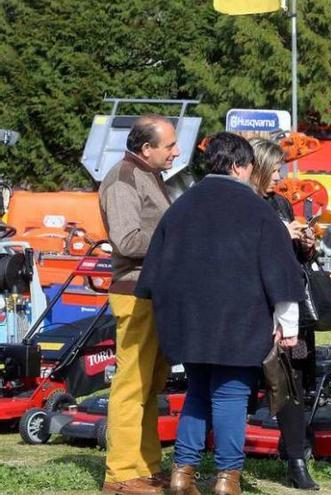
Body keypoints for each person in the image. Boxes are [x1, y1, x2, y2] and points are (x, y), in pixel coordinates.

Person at [135, 133, 305, 495]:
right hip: (239, 320)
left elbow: (155, 271)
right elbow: (280, 270)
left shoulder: (181, 206)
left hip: (190, 319)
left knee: (197, 391)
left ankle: (182, 473)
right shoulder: (258, 209)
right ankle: (228, 479)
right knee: (231, 395)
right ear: (242, 166)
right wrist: (288, 325)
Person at [99, 115, 179, 495]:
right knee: (131, 384)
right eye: (169, 146)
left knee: (150, 386)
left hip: (155, 292)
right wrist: (178, 235)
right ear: (146, 149)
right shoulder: (122, 179)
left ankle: (146, 468)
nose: (176, 151)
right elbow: (128, 240)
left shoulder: (150, 174)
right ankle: (121, 475)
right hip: (134, 292)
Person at [248, 138, 319, 491]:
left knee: (295, 382)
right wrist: (281, 232)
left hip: (292, 308)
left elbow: (293, 259)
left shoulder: (279, 202)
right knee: (248, 385)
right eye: (275, 169)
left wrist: (305, 244)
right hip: (255, 307)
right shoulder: (244, 202)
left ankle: (295, 457)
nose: (280, 175)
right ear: (258, 167)